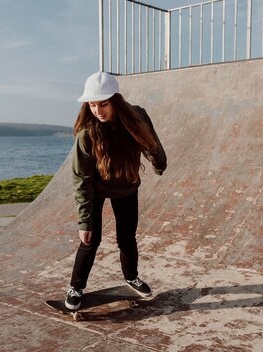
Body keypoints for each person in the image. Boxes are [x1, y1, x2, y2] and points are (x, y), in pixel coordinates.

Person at [65, 71, 167, 310]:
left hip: (127, 186)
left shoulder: (137, 116)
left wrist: (159, 163)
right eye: (92, 105)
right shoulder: (87, 132)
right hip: (96, 189)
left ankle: (131, 277)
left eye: (103, 104)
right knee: (90, 240)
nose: (98, 111)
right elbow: (81, 178)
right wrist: (84, 221)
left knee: (127, 238)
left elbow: (151, 141)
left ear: (116, 101)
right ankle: (76, 287)